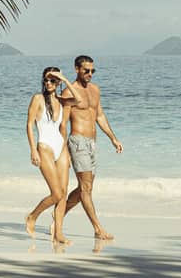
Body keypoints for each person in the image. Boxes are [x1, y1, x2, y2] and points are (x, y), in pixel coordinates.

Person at [63, 54, 123, 240]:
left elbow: (99, 116)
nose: (90, 74)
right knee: (86, 188)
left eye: (92, 71)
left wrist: (113, 138)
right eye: (86, 70)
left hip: (92, 143)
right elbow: (62, 123)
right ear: (76, 69)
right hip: (77, 141)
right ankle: (98, 229)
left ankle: (58, 215)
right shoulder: (69, 92)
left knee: (85, 188)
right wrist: (62, 150)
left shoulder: (95, 90)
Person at [24, 66, 85, 243]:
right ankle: (33, 216)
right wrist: (33, 149)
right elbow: (28, 124)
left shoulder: (62, 100)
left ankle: (58, 234)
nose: (48, 83)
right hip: (44, 147)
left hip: (61, 147)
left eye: (52, 80)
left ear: (57, 82)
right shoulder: (37, 99)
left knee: (64, 193)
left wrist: (65, 80)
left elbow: (79, 99)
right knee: (56, 194)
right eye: (46, 80)